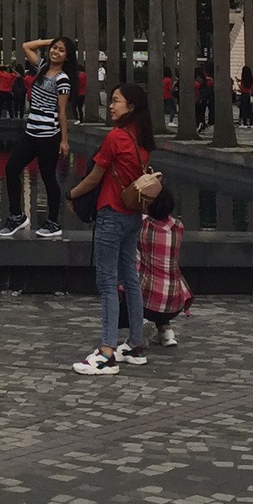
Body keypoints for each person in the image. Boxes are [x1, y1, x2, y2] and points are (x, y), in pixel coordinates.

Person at [66, 80, 161, 374]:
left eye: (116, 100)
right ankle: (135, 344)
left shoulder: (116, 138)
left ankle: (106, 352)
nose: (111, 105)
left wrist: (71, 194)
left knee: (107, 282)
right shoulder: (143, 140)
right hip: (132, 215)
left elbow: (94, 178)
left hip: (111, 213)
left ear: (130, 107)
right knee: (130, 279)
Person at [0, 36, 76, 240]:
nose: (55, 52)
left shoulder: (62, 79)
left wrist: (64, 140)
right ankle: (17, 216)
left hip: (49, 135)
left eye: (61, 50)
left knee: (48, 177)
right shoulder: (42, 67)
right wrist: (51, 41)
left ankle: (53, 222)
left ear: (67, 57)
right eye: (54, 48)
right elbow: (26, 46)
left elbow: (62, 111)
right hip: (31, 132)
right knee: (11, 168)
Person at [138, 184, 193, 346]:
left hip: (148, 304)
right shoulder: (178, 227)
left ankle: (140, 326)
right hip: (174, 303)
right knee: (159, 277)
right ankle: (166, 331)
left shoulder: (142, 225)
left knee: (129, 275)